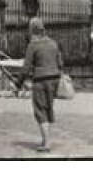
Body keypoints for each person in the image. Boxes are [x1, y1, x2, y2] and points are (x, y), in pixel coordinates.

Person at [22, 17, 64, 153]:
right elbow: (61, 63)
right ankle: (46, 138)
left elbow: (26, 67)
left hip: (40, 80)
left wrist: (18, 82)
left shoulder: (33, 45)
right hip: (54, 79)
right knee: (48, 107)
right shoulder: (53, 43)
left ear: (32, 30)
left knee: (40, 110)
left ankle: (46, 143)